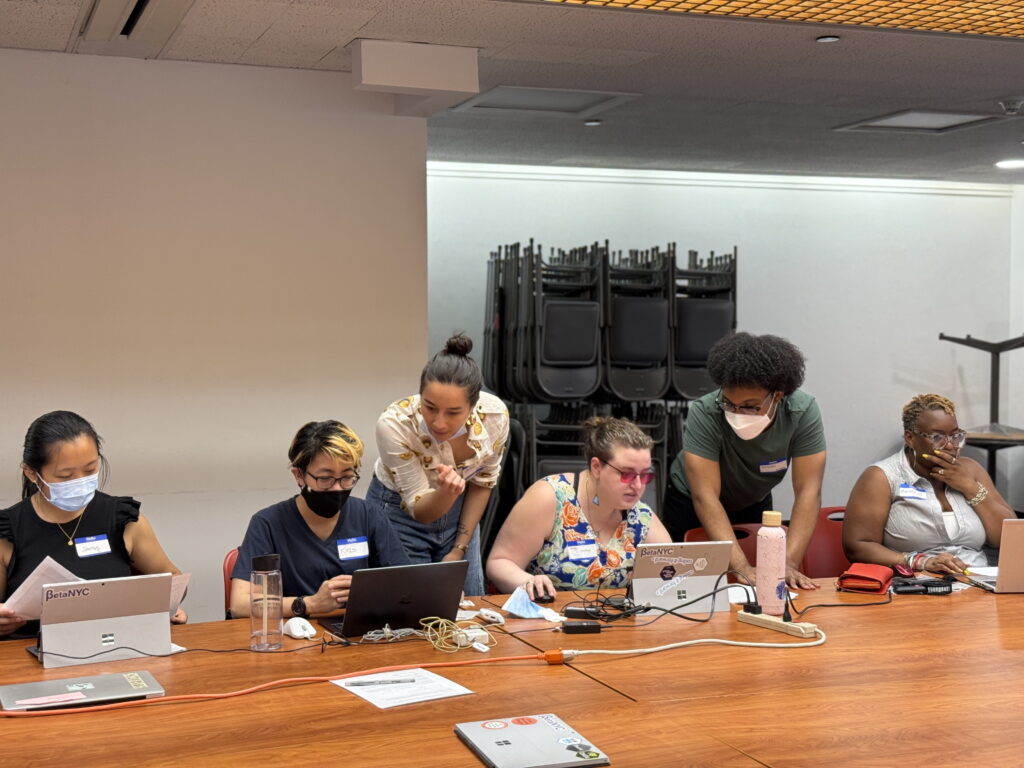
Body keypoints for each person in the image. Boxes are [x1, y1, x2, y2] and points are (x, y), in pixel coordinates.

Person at [0, 411, 186, 638]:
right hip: (30, 652)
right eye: (65, 476)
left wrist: (167, 605)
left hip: (117, 645)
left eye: (90, 470)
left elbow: (173, 580)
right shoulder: (8, 531)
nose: (80, 481)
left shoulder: (123, 519)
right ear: (32, 473)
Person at [663, 332, 827, 589]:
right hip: (691, 502)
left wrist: (788, 563)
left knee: (764, 581)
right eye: (730, 404)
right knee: (691, 586)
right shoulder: (706, 411)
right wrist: (740, 565)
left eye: (750, 406)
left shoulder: (801, 412)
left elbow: (809, 491)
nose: (738, 413)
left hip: (754, 498)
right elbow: (705, 496)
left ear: (777, 396)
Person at [367, 333, 509, 597]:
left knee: (470, 603)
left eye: (453, 412)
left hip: (461, 511)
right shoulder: (395, 424)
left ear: (473, 405)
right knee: (409, 605)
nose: (439, 423)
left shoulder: (494, 416)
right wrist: (446, 493)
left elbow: (483, 483)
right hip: (399, 511)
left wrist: (459, 548)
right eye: (429, 407)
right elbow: (420, 510)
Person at [230, 420, 408, 619]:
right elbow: (240, 605)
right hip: (295, 633)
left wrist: (370, 591)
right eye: (325, 479)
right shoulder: (268, 524)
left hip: (357, 630)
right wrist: (310, 604)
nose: (337, 488)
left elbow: (407, 586)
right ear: (299, 475)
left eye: (347, 477)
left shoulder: (369, 515)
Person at [487, 417, 671, 597]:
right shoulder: (551, 497)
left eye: (645, 475)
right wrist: (527, 581)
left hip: (616, 615)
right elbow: (499, 562)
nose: (638, 485)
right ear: (597, 467)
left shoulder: (639, 515)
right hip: (549, 613)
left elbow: (675, 568)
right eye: (627, 474)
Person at [843, 394, 1013, 574]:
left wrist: (970, 487)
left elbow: (1008, 539)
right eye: (937, 437)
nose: (950, 446)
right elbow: (858, 546)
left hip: (978, 579)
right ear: (910, 438)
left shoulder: (971, 470)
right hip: (916, 581)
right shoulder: (882, 477)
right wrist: (919, 561)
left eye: (955, 436)